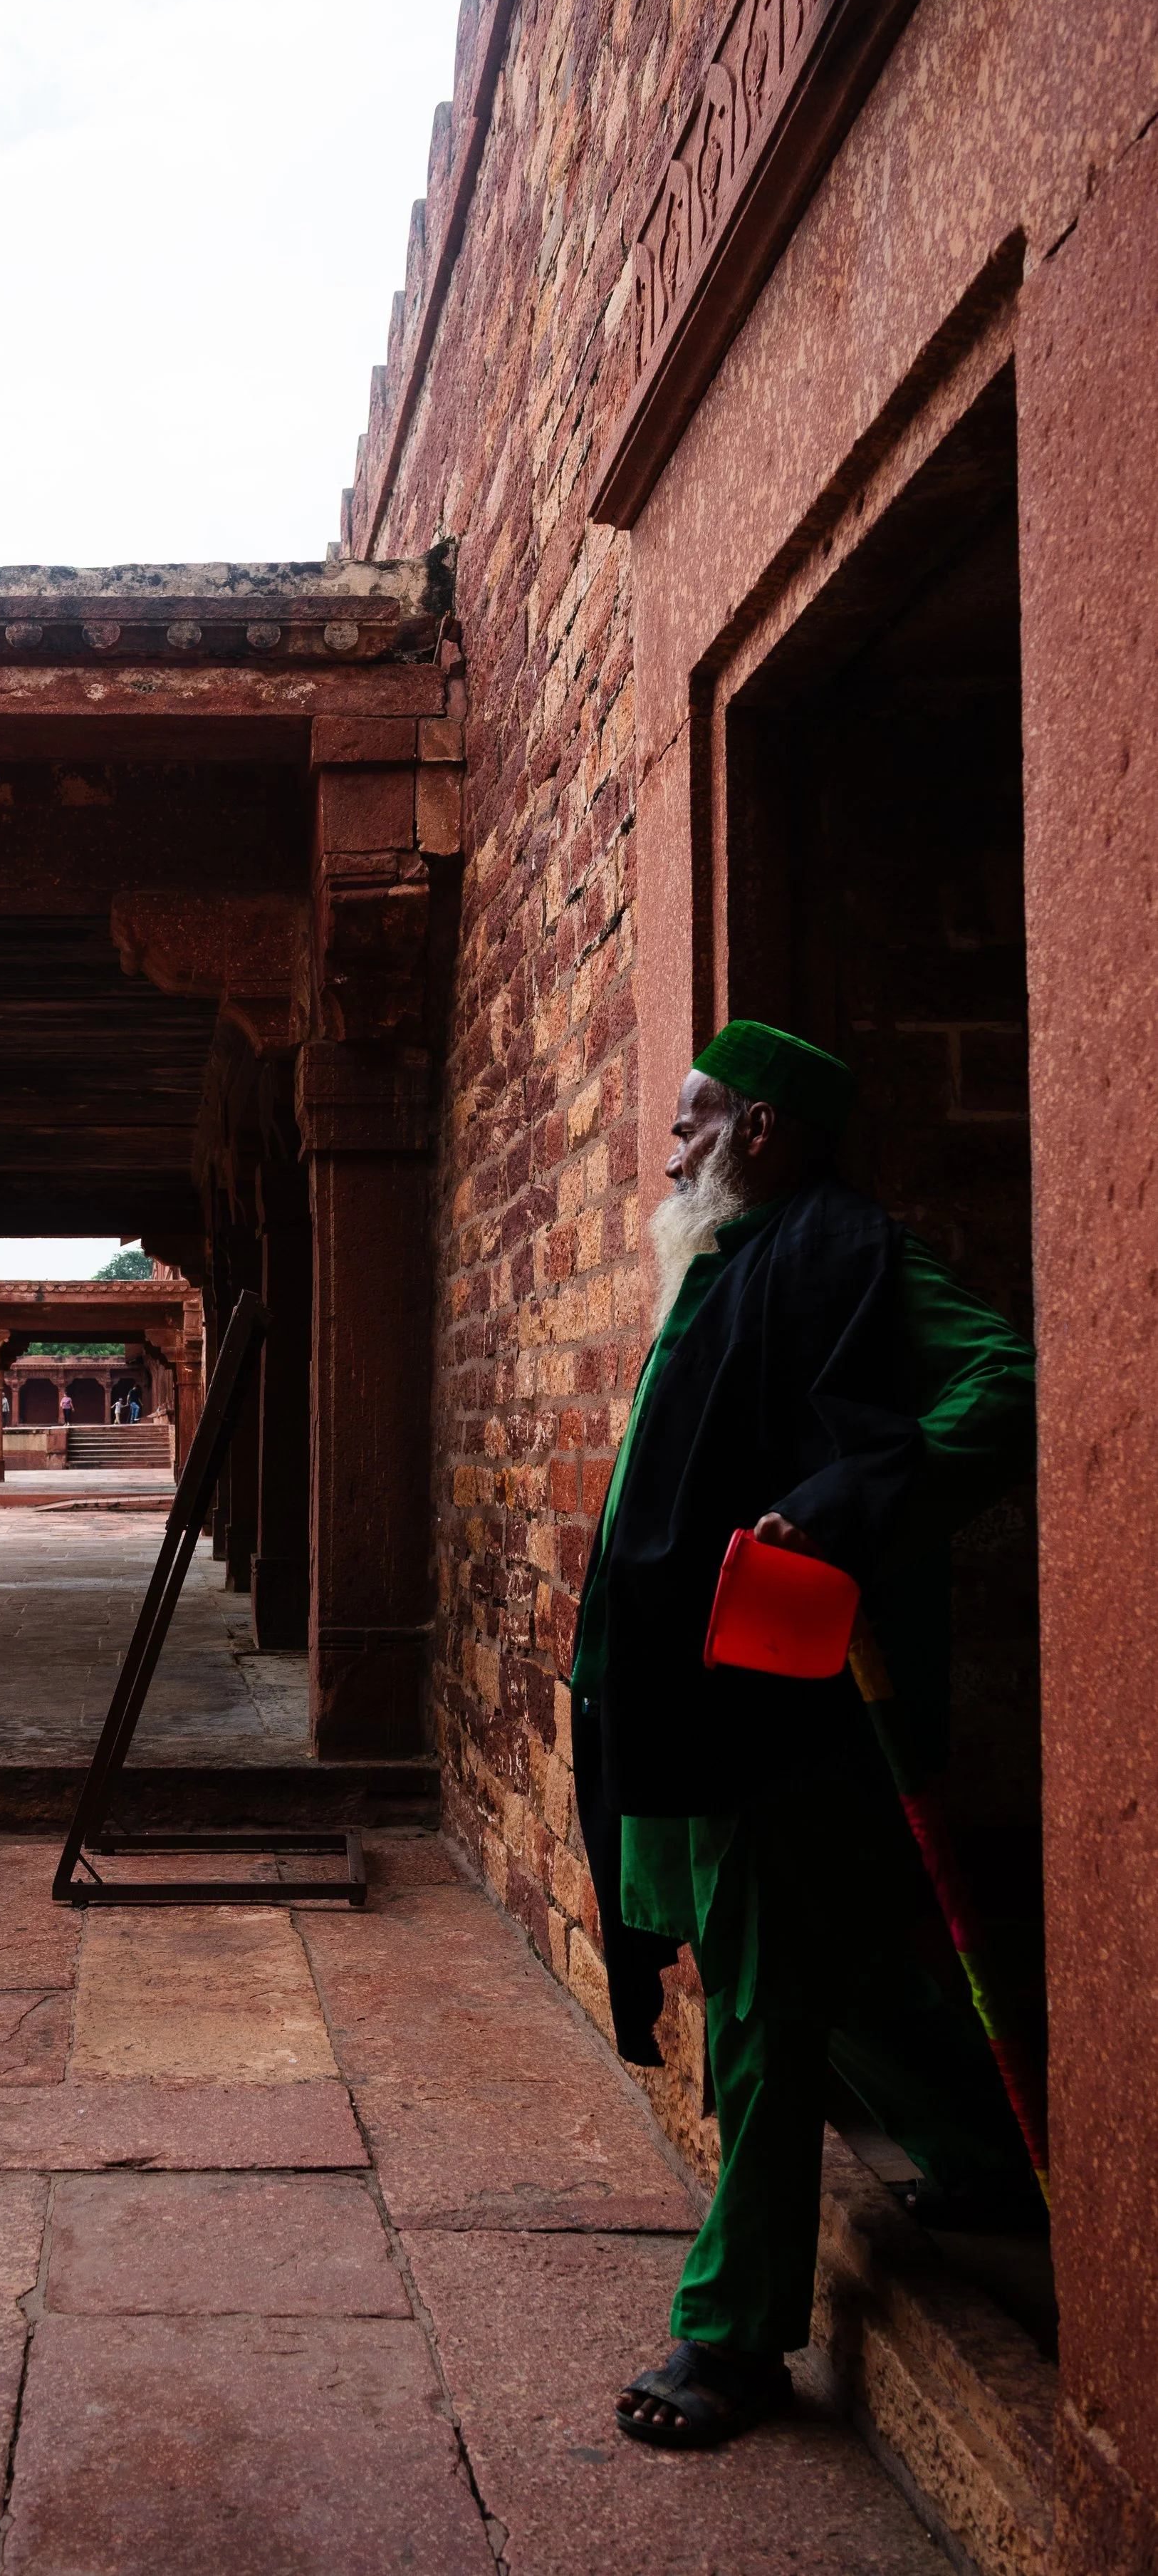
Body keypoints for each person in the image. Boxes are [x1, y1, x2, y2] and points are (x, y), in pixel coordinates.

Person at [566, 1021, 1042, 2451]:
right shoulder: (722, 1263)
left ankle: (732, 2336)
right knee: (832, 1962)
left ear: (763, 1130)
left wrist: (842, 1510)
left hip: (779, 1691)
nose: (667, 1149)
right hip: (682, 1675)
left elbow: (1001, 1385)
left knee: (765, 2004)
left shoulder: (851, 1255)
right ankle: (982, 2159)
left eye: (692, 1119)